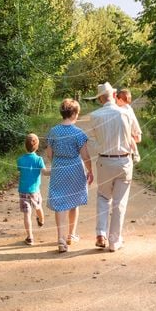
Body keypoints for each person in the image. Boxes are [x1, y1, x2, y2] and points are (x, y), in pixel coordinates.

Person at [87, 82, 133, 253]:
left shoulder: (95, 116)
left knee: (103, 197)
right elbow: (135, 136)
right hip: (123, 161)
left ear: (100, 99)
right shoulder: (126, 113)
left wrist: (101, 146)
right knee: (120, 202)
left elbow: (91, 139)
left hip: (105, 160)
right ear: (114, 95)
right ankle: (114, 241)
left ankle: (100, 233)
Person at [45, 98, 94, 253]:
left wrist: (57, 162)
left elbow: (49, 153)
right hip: (74, 169)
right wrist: (90, 170)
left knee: (59, 202)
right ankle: (71, 235)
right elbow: (85, 156)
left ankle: (60, 239)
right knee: (73, 202)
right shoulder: (79, 133)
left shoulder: (53, 131)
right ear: (74, 114)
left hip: (59, 167)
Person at [17, 133, 46, 245]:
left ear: (25, 146)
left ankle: (30, 237)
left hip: (23, 190)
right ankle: (41, 220)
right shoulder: (39, 159)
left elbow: (19, 170)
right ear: (37, 146)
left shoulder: (20, 160)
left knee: (26, 214)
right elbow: (44, 172)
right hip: (34, 190)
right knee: (38, 207)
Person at [116, 87, 142, 162]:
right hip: (127, 130)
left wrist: (137, 132)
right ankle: (133, 153)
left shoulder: (127, 108)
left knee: (130, 139)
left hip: (130, 130)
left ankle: (136, 152)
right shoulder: (120, 106)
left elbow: (133, 121)